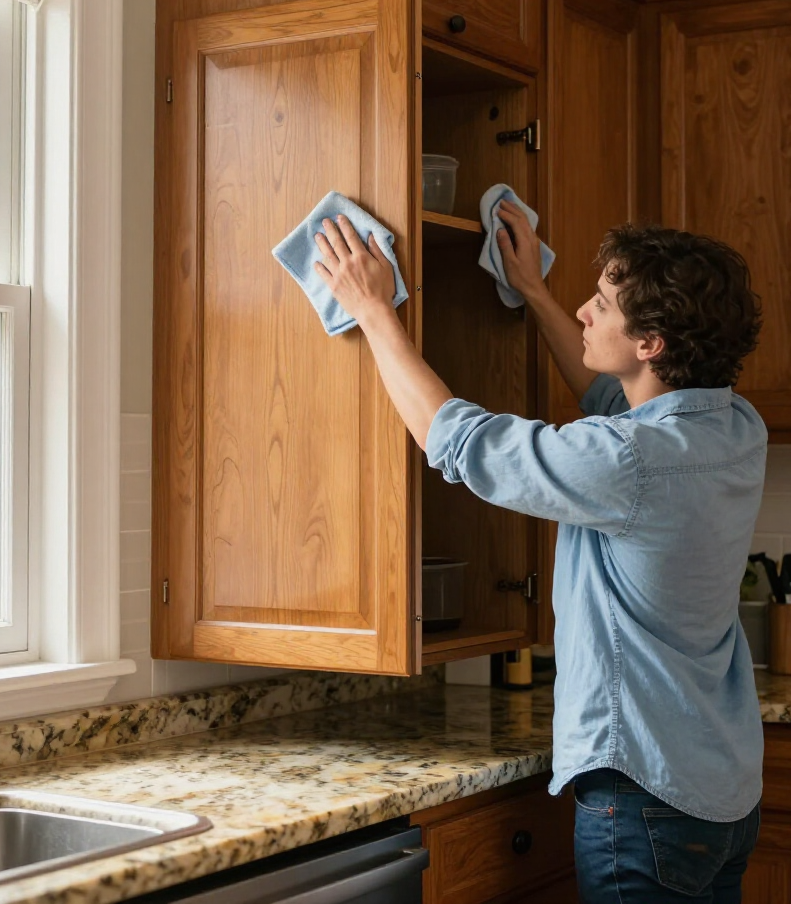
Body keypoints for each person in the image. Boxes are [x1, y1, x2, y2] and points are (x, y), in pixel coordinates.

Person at [312, 199, 766, 904]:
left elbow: (459, 443)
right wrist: (531, 291)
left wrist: (374, 310)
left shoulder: (631, 461)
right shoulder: (733, 425)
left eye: (602, 304)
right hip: (723, 794)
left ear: (650, 344)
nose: (584, 312)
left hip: (643, 799)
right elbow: (609, 400)